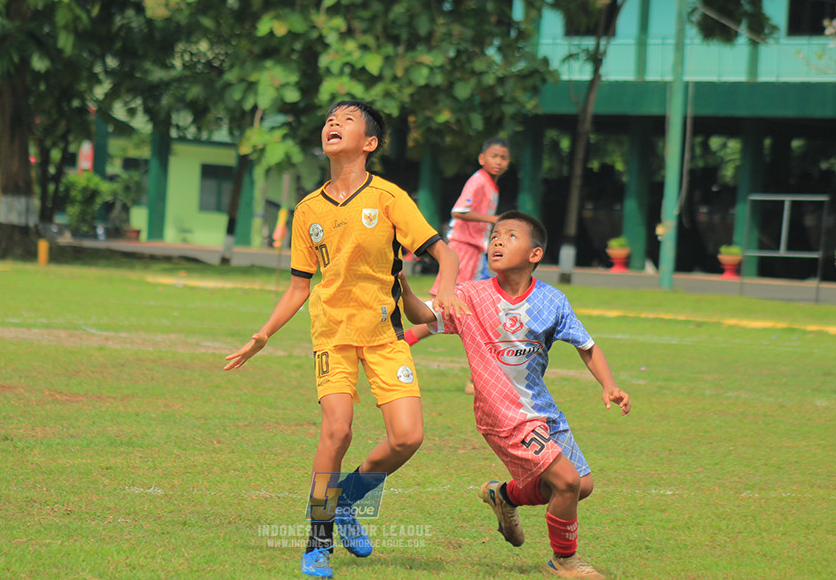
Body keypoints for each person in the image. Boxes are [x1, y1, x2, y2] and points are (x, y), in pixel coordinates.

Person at [223, 99, 467, 578]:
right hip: (332, 335)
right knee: (337, 430)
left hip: (384, 335)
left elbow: (447, 254)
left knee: (408, 437)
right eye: (330, 119)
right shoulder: (307, 210)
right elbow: (299, 287)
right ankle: (317, 542)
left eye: (347, 119)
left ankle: (349, 500)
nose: (333, 123)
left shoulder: (390, 198)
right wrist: (263, 334)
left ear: (369, 143)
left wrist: (448, 292)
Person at [400, 210, 631, 580]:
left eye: (510, 236)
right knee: (567, 482)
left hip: (542, 408)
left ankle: (505, 496)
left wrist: (609, 385)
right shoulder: (470, 294)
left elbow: (587, 346)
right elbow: (419, 316)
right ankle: (564, 560)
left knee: (580, 486)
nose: (497, 241)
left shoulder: (553, 301)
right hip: (502, 412)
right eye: (494, 235)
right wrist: (402, 285)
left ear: (534, 254)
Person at [417, 137, 510, 394]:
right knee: (448, 311)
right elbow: (459, 211)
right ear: (482, 159)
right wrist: (493, 219)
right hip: (464, 250)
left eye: (503, 158)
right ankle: (396, 342)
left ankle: (476, 379)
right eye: (494, 156)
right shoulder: (479, 181)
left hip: (476, 252)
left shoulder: (491, 185)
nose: (499, 161)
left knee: (473, 312)